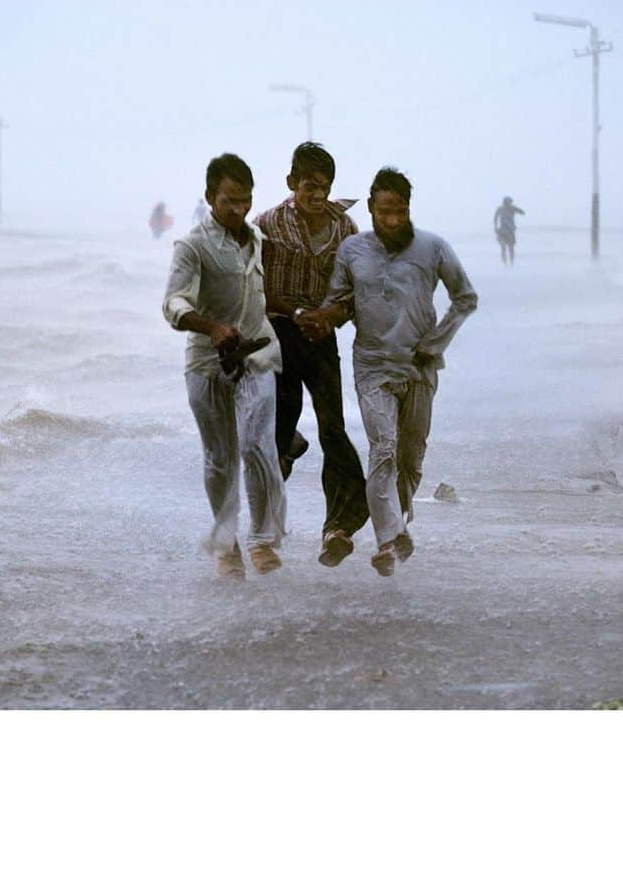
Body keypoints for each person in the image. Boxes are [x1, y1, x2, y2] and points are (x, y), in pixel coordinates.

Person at [306, 168, 477, 576]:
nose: (394, 221)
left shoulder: (433, 248)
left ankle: (395, 529)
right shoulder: (352, 250)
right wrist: (320, 318)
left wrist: (434, 344)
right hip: (373, 367)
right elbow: (338, 302)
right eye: (385, 213)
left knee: (410, 458)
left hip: (419, 368)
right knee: (382, 449)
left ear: (408, 209)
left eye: (400, 212)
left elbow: (465, 298)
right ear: (370, 209)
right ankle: (389, 538)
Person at [161, 154, 286, 578]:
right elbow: (173, 302)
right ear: (211, 196)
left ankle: (263, 538)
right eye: (229, 201)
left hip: (258, 354)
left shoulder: (258, 239)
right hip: (207, 362)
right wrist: (211, 326)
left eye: (245, 200)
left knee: (257, 443)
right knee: (220, 458)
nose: (238, 209)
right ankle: (227, 545)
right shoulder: (193, 246)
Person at [254, 142, 371, 568]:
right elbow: (252, 285)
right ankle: (264, 534)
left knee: (333, 430)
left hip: (322, 335)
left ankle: (338, 528)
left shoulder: (346, 229)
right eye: (309, 187)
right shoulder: (267, 224)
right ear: (292, 184)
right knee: (278, 431)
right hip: (280, 333)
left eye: (324, 187)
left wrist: (331, 315)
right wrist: (293, 310)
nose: (317, 196)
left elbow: (356, 292)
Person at [493, 196, 525, 265]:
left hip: (510, 231)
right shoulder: (500, 209)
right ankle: (505, 264)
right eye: (507, 203)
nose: (507, 204)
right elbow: (495, 218)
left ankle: (511, 263)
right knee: (503, 248)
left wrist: (515, 208)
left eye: (509, 203)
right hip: (502, 231)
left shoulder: (512, 208)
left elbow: (522, 212)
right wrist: (495, 227)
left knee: (511, 248)